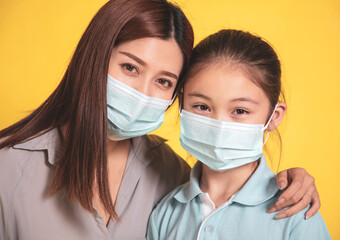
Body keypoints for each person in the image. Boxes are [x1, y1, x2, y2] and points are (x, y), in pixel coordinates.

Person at [0, 0, 319, 239]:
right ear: (94, 57)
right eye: (130, 68)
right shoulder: (8, 168)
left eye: (164, 81)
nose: (142, 92)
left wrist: (294, 181)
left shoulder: (172, 174)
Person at [147, 29, 331, 239]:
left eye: (240, 111)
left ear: (273, 116)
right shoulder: (165, 213)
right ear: (181, 105)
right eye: (202, 106)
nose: (218, 125)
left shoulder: (295, 212)